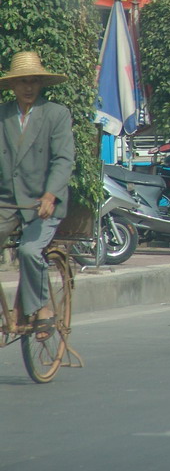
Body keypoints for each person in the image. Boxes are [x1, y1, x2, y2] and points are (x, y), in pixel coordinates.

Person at [0, 52, 74, 341]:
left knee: (30, 251)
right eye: (22, 82)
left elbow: (63, 159)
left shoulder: (56, 114)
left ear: (41, 83)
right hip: (8, 201)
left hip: (43, 202)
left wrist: (50, 195)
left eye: (33, 81)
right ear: (12, 85)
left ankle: (41, 307)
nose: (28, 87)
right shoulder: (3, 114)